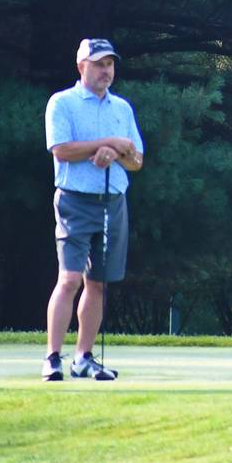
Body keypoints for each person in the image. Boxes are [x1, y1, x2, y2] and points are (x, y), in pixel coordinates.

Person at [42, 38, 143, 381]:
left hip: (113, 202)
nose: (106, 71)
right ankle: (52, 357)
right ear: (81, 66)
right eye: (99, 64)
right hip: (75, 201)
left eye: (109, 64)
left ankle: (83, 357)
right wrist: (107, 143)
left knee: (98, 283)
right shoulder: (63, 102)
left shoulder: (122, 108)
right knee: (70, 279)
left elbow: (137, 161)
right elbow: (61, 150)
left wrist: (117, 153)